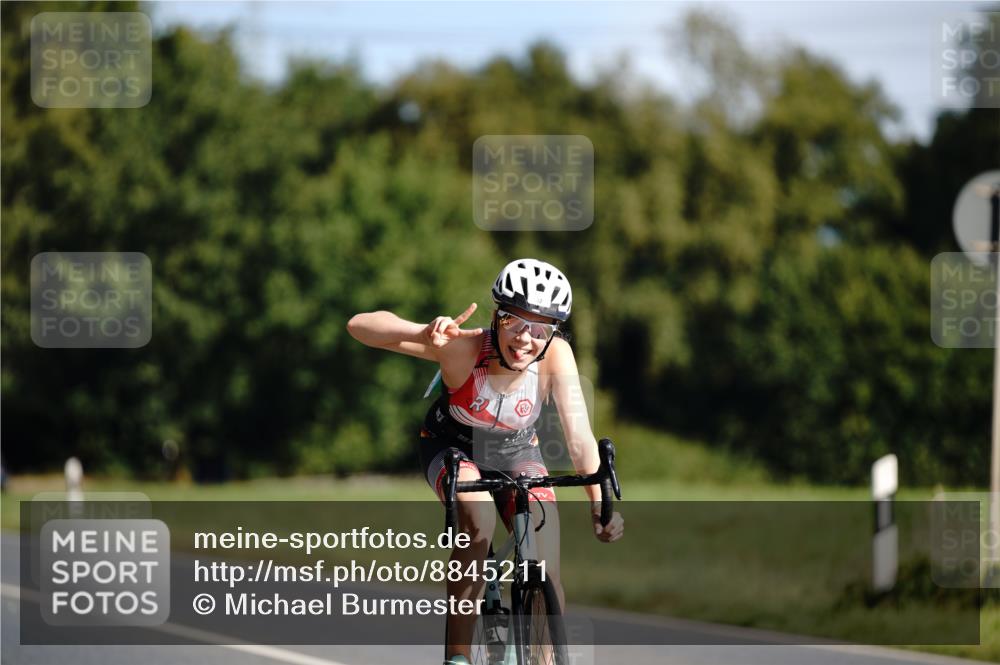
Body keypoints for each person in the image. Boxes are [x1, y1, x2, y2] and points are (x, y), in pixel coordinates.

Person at [347, 258, 624, 665]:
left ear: (554, 333)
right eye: (514, 321)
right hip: (451, 446)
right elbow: (360, 325)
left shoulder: (556, 356)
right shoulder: (465, 349)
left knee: (546, 561)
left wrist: (599, 505)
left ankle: (548, 658)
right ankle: (457, 656)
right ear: (496, 316)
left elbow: (580, 441)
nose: (526, 338)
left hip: (517, 450)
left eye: (541, 328)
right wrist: (420, 333)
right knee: (480, 523)